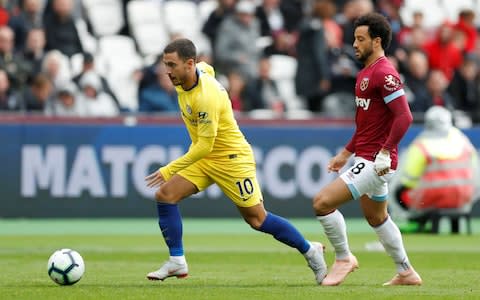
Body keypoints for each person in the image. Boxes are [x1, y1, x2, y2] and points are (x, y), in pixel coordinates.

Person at [144, 38, 327, 284]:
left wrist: (169, 169)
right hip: (206, 158)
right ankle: (177, 261)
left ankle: (309, 250)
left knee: (257, 219)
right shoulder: (192, 74)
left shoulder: (205, 97)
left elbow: (204, 146)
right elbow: (208, 68)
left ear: (189, 64)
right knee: (165, 195)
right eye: (165, 64)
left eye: (172, 65)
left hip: (231, 159)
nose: (167, 71)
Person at [311, 12, 422, 287]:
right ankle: (406, 271)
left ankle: (344, 258)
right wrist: (346, 154)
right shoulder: (365, 73)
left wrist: (385, 151)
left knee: (322, 203)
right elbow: (366, 126)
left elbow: (404, 116)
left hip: (376, 161)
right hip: (366, 156)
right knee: (377, 217)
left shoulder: (384, 73)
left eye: (360, 39)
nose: (355, 44)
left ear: (377, 41)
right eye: (354, 38)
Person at [393, 106, 479, 233]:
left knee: (398, 192)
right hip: (464, 196)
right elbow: (475, 170)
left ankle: (415, 221)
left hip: (433, 197)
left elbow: (409, 180)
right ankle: (454, 227)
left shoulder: (421, 144)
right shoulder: (463, 140)